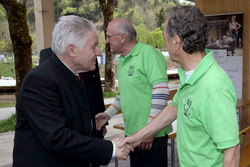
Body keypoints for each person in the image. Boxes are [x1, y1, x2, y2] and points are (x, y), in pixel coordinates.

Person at [120, 5, 240, 167]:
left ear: (176, 42)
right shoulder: (191, 75)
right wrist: (137, 137)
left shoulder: (213, 86)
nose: (164, 43)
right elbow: (174, 108)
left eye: (165, 38)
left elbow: (231, 151)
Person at [13, 15, 133, 167]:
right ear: (71, 50)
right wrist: (111, 148)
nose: (98, 53)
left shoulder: (73, 75)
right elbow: (57, 137)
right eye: (93, 47)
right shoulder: (40, 81)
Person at [95, 18, 172, 167]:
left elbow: (161, 93)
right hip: (132, 134)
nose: (107, 40)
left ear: (123, 37)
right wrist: (107, 114)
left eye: (110, 36)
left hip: (151, 136)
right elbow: (123, 94)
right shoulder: (123, 61)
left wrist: (150, 130)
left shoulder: (148, 54)